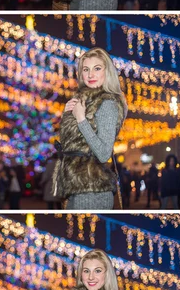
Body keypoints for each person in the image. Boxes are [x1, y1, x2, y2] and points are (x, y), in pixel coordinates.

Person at [52, 48, 127, 210]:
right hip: (75, 185)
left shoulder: (107, 104)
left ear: (107, 72)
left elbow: (103, 154)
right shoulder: (84, 101)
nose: (90, 75)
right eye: (86, 69)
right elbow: (71, 146)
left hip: (93, 190)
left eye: (97, 68)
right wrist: (68, 117)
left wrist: (81, 119)